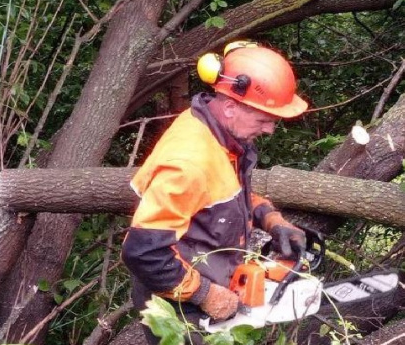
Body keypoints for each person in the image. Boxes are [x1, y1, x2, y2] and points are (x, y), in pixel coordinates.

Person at [122, 40, 310, 344]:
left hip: (212, 277)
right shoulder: (189, 162)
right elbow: (143, 251)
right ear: (231, 106)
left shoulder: (220, 136)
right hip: (180, 303)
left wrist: (272, 220)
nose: (269, 129)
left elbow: (226, 195)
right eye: (263, 120)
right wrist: (204, 294)